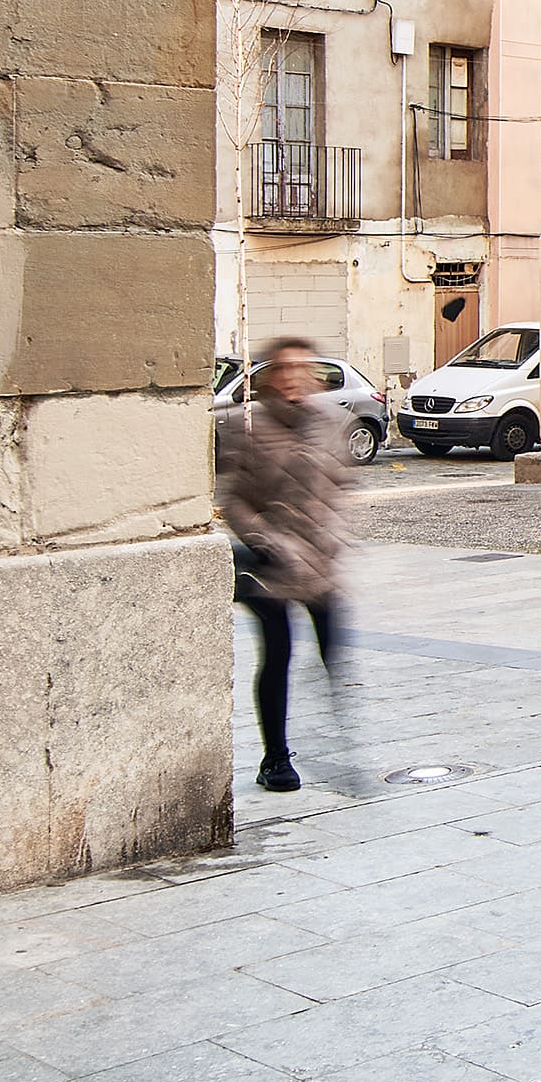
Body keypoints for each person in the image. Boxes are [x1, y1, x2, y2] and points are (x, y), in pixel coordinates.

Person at [214, 336, 354, 792]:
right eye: (284, 367)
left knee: (333, 650)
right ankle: (275, 757)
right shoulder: (244, 426)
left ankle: (345, 735)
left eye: (302, 367)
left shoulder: (332, 421)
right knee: (277, 656)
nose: (294, 376)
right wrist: (266, 540)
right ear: (271, 376)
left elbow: (341, 487)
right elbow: (231, 498)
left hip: (320, 563)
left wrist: (335, 535)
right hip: (271, 567)